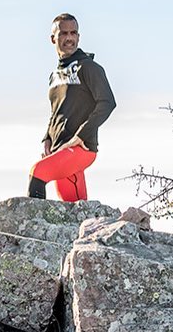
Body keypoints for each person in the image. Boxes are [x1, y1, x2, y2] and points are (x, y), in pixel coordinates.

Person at [28, 13, 116, 201]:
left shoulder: (89, 67)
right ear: (53, 38)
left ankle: (28, 230)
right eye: (63, 33)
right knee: (76, 208)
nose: (69, 38)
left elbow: (108, 102)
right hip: (60, 150)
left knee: (38, 172)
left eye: (73, 33)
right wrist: (47, 138)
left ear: (78, 37)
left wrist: (80, 136)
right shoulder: (55, 75)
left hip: (81, 148)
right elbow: (56, 111)